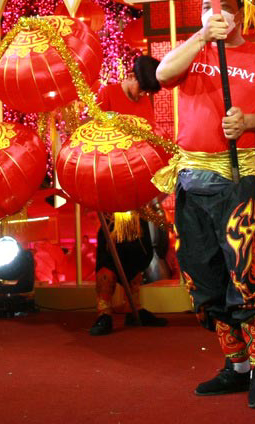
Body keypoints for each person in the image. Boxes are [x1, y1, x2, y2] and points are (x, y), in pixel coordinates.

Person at [154, 0, 255, 410]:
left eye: (223, 6)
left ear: (239, 12)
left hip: (237, 184)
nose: (214, 12)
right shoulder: (193, 51)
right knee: (204, 279)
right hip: (190, 184)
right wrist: (201, 35)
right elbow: (162, 75)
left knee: (248, 279)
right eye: (205, 6)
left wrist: (252, 119)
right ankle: (234, 364)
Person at [88, 55, 169, 336]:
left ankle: (134, 306)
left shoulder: (145, 102)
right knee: (111, 250)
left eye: (149, 91)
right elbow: (92, 139)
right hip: (111, 187)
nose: (145, 95)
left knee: (140, 250)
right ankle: (104, 312)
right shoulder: (107, 95)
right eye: (143, 88)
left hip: (137, 189)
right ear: (132, 76)